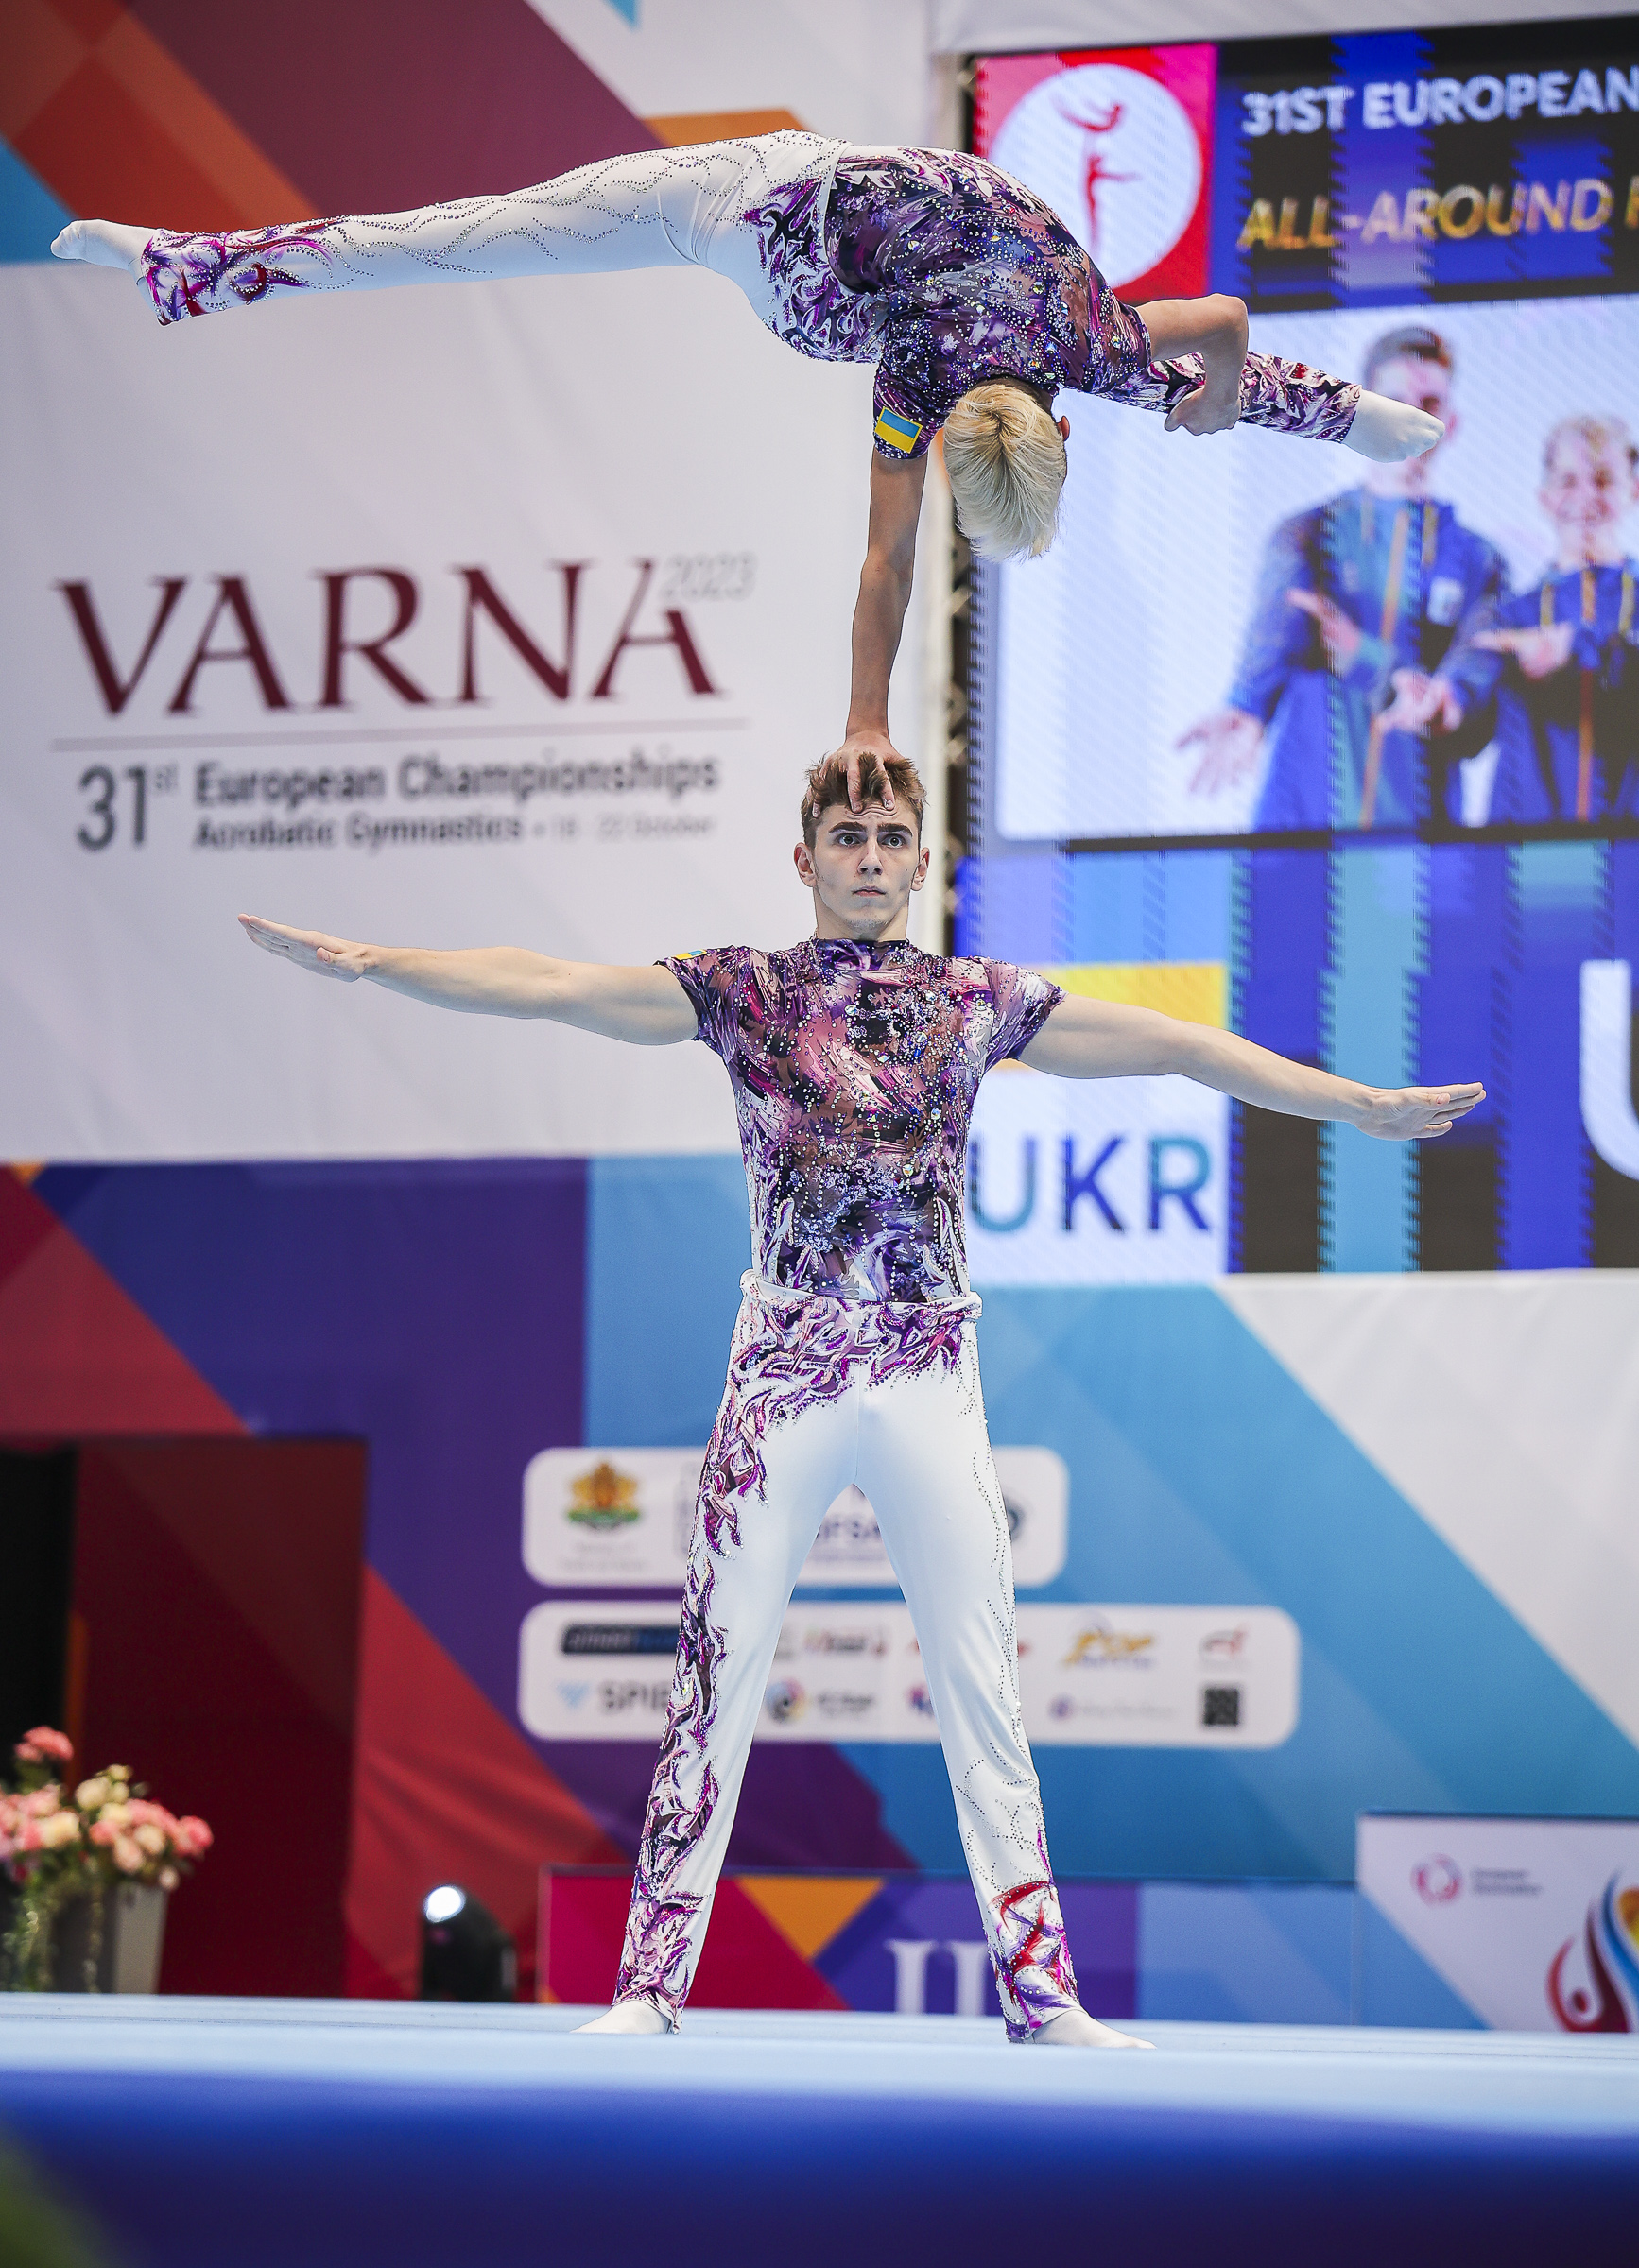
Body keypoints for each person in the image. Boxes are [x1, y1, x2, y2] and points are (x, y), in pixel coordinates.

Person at [237, 747, 1480, 2044]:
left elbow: (1173, 1046)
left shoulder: (975, 1002)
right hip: (783, 1368)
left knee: (981, 1679)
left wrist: (1347, 1104)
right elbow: (556, 987)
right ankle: (649, 1988)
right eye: (849, 839)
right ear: (806, 859)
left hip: (926, 1368)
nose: (871, 859)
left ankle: (1042, 1991)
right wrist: (379, 965)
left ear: (921, 861)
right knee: (715, 1669)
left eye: (891, 840)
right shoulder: (746, 993)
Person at [52, 133, 1441, 810]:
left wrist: (1233, 395)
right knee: (471, 243)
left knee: (459, 235)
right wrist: (862, 722)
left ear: (1055, 433)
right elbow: (886, 566)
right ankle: (188, 271)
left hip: (796, 179)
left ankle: (190, 269)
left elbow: (1223, 325)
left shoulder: (1093, 339)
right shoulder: (928, 380)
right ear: (1008, 444)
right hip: (755, 238)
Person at [1181, 324, 1504, 830]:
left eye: (1430, 404)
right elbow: (1277, 632)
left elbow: (1477, 706)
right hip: (1302, 832)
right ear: (1363, 414)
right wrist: (1247, 705)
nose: (1413, 418)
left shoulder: (1479, 561)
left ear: (1451, 422)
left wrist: (1420, 690)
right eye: (1395, 402)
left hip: (1422, 838)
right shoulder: (1306, 535)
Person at [1477, 416, 1639, 821]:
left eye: (1603, 480)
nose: (1586, 497)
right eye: (1568, 482)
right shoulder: (1511, 617)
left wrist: (1576, 647)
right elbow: (1468, 732)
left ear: (1633, 490)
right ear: (1545, 498)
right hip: (1527, 846)